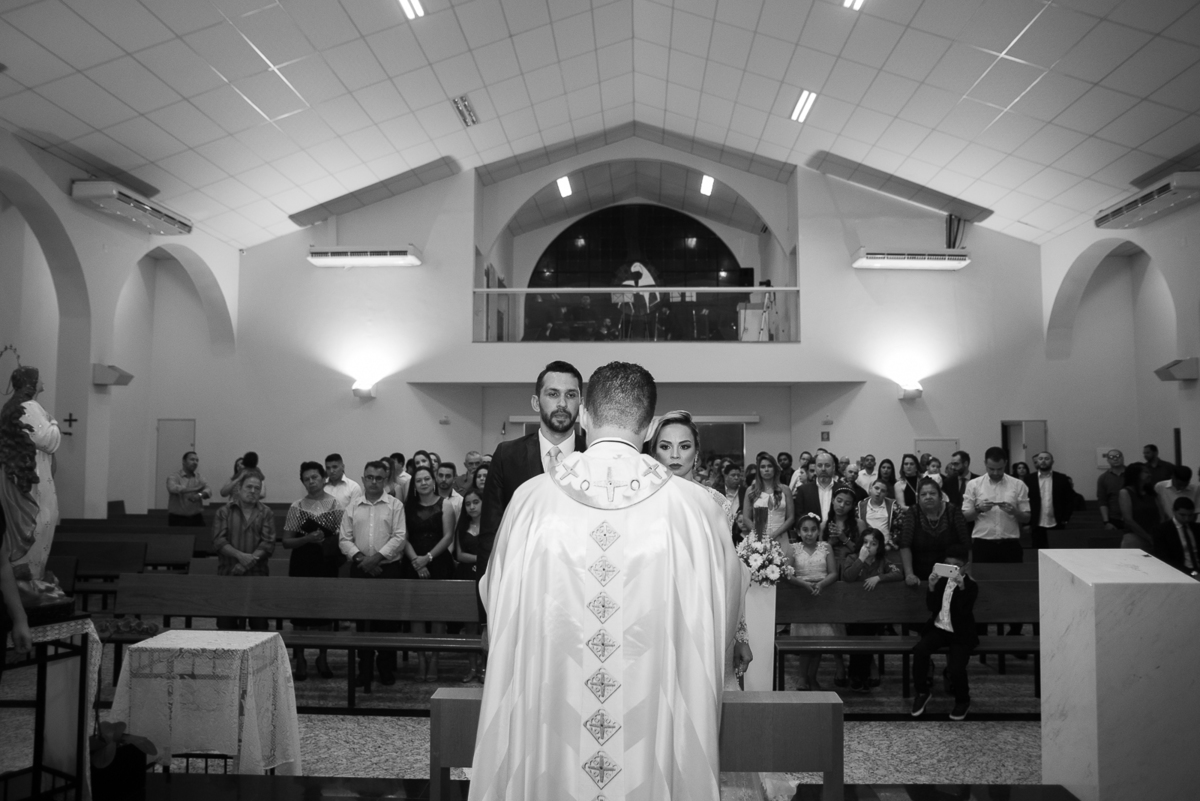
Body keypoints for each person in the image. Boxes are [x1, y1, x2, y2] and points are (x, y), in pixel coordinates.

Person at [469, 362, 747, 800]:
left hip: (552, 713)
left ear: (583, 416)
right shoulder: (696, 510)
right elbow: (724, 610)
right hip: (655, 720)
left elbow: (495, 593)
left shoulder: (532, 500)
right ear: (652, 426)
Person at [478, 361, 587, 587]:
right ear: (536, 402)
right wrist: (486, 614)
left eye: (571, 395)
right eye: (553, 394)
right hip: (523, 586)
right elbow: (491, 534)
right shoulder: (507, 456)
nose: (562, 403)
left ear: (581, 403)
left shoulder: (594, 455)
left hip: (580, 586)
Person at [339, 460, 407, 688]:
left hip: (388, 570)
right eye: (370, 477)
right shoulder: (352, 506)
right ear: (363, 479)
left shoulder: (395, 505)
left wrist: (376, 559)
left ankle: (386, 669)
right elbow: (344, 539)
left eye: (379, 478)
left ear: (385, 480)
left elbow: (399, 537)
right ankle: (364, 670)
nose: (374, 482)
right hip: (360, 570)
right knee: (362, 623)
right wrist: (362, 560)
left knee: (387, 624)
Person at [280, 461, 344, 681]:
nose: (311, 482)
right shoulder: (297, 506)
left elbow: (342, 537)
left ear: (323, 478)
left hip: (325, 561)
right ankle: (300, 659)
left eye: (315, 477)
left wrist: (325, 540)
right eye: (306, 479)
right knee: (300, 613)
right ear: (302, 482)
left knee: (324, 612)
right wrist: (306, 538)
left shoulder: (335, 504)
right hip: (301, 562)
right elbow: (286, 542)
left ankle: (323, 657)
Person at [0, 366, 62, 586]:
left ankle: (28, 579)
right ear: (31, 382)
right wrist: (54, 423)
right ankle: (32, 580)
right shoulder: (30, 406)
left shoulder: (11, 407)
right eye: (39, 378)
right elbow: (47, 440)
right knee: (41, 521)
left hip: (18, 477)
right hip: (33, 479)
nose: (42, 381)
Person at [910, 544, 978, 721]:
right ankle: (922, 692)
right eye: (947, 565)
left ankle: (963, 700)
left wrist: (961, 588)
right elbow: (932, 608)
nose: (951, 570)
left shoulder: (970, 586)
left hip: (961, 633)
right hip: (940, 628)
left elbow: (964, 613)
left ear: (965, 566)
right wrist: (931, 587)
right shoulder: (941, 582)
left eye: (955, 566)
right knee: (920, 651)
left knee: (956, 668)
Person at [402, 464, 455, 682]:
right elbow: (402, 537)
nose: (423, 483)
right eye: (418, 480)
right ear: (413, 485)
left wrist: (428, 558)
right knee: (417, 615)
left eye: (426, 479)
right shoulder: (407, 507)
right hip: (413, 564)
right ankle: (421, 659)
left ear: (433, 481)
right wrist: (417, 561)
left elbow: (448, 536)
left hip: (439, 563)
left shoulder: (446, 505)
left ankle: (434, 658)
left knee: (437, 616)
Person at [212, 470, 274, 631]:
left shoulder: (266, 512)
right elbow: (219, 541)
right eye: (249, 487)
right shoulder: (223, 512)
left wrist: (246, 564)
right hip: (229, 575)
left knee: (259, 628)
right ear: (239, 488)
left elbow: (268, 543)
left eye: (257, 488)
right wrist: (240, 556)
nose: (253, 491)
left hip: (257, 577)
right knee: (226, 628)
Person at [784, 513, 838, 691]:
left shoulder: (826, 547)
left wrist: (821, 584)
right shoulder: (793, 549)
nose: (809, 534)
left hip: (821, 596)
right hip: (801, 597)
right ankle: (802, 677)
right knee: (804, 643)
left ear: (818, 531)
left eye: (813, 529)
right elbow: (788, 573)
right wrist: (804, 584)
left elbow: (833, 572)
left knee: (818, 642)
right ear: (798, 532)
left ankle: (812, 677)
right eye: (805, 530)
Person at [842, 527, 901, 690]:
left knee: (868, 634)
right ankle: (857, 674)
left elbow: (898, 573)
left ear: (879, 546)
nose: (868, 547)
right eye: (865, 542)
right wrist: (860, 559)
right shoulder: (852, 557)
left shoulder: (882, 561)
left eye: (873, 543)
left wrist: (879, 577)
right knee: (859, 634)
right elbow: (847, 577)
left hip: (874, 613)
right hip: (853, 612)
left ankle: (859, 674)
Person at [962, 447, 1030, 565]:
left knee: (1014, 581)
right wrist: (978, 509)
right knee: (983, 582)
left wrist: (1015, 512)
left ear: (1006, 464)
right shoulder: (974, 485)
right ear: (985, 464)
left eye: (1000, 469)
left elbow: (1027, 518)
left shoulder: (1018, 485)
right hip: (983, 544)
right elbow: (965, 517)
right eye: (991, 469)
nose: (996, 473)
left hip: (1010, 544)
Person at [900, 477, 972, 586]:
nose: (928, 497)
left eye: (932, 493)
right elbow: (905, 544)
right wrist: (909, 574)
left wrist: (967, 574)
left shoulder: (953, 511)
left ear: (940, 496)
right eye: (923, 494)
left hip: (950, 574)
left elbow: (966, 545)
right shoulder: (913, 512)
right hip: (919, 575)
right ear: (918, 498)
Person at [454, 487, 484, 682]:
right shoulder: (462, 526)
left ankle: (486, 668)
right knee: (470, 626)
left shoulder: (492, 526)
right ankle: (472, 667)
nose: (471, 507)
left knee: (486, 626)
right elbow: (458, 554)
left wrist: (480, 561)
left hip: (486, 578)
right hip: (466, 578)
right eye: (468, 503)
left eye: (475, 502)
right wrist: (480, 558)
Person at [1025, 451, 1079, 550]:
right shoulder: (1029, 479)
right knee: (1037, 552)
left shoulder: (1061, 478)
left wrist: (1065, 519)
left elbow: (1069, 500)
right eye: (1040, 459)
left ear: (1052, 462)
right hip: (1036, 524)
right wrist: (1027, 523)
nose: (1043, 461)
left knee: (1057, 552)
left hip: (1057, 522)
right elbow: (1024, 501)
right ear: (1037, 461)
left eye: (1046, 458)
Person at [745, 453, 794, 544]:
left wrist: (775, 534)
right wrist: (759, 534)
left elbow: (791, 517)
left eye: (769, 466)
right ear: (758, 470)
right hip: (758, 538)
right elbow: (746, 518)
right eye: (763, 467)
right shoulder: (751, 490)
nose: (766, 469)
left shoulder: (785, 490)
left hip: (781, 536)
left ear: (775, 469)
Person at [1152, 497, 1199, 577]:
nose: (1186, 519)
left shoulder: (1196, 528)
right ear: (1174, 511)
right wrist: (1190, 573)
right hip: (1177, 571)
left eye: (1190, 515)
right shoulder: (1162, 530)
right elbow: (1163, 558)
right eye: (1182, 515)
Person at [1118, 463, 1160, 552]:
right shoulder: (1125, 492)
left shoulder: (1151, 493)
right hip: (1134, 537)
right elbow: (1128, 520)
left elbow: (1162, 514)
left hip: (1155, 537)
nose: (1150, 475)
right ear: (1136, 474)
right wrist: (1148, 537)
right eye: (1146, 472)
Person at [166, 451, 210, 527]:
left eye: (197, 460)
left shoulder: (199, 477)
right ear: (184, 461)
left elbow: (208, 490)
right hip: (177, 519)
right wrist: (196, 488)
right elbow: (172, 488)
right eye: (192, 459)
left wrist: (199, 495)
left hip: (196, 518)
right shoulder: (174, 476)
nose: (195, 462)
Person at [858, 478, 899, 557]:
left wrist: (890, 545)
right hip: (866, 547)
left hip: (886, 547)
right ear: (870, 489)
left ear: (886, 494)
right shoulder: (860, 506)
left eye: (883, 491)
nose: (879, 492)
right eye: (876, 488)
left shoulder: (893, 506)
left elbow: (899, 529)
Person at [795, 451, 841, 522]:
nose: (823, 469)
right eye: (819, 465)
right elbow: (799, 516)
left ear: (833, 468)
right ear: (815, 468)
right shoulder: (803, 490)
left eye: (827, 465)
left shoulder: (841, 489)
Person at [1096, 448, 1126, 530]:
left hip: (1133, 517)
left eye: (1118, 456)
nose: (1115, 458)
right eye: (1111, 457)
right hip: (1114, 519)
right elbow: (1102, 501)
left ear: (1122, 457)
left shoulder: (1131, 474)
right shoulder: (1103, 478)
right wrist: (1106, 522)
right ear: (1108, 460)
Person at [436, 463, 464, 527]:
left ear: (454, 479)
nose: (443, 479)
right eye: (440, 475)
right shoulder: (428, 496)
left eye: (448, 476)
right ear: (436, 477)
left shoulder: (460, 501)